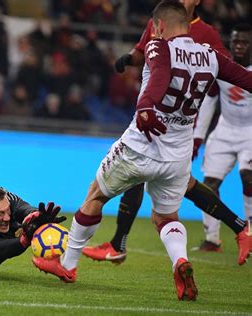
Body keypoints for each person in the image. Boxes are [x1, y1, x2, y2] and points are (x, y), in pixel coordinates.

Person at [32, 1, 252, 301]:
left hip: (141, 144)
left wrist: (146, 107)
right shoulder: (212, 56)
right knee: (166, 217)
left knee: (96, 194)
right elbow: (247, 79)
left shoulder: (159, 47)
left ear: (159, 26)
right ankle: (180, 261)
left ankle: (68, 265)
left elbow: (159, 76)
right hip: (177, 155)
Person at [84, 0, 251, 264]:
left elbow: (226, 66)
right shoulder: (159, 20)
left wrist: (149, 107)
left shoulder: (205, 33)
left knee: (161, 182)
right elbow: (142, 53)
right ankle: (120, 244)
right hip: (153, 118)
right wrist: (128, 60)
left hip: (172, 126)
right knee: (162, 182)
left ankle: (237, 228)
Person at [192, 24, 252, 252]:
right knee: (209, 184)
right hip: (224, 129)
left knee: (248, 177)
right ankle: (212, 239)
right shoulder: (222, 65)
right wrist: (198, 137)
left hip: (250, 130)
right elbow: (210, 99)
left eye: (244, 42)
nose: (238, 45)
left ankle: (250, 231)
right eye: (235, 41)